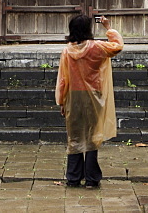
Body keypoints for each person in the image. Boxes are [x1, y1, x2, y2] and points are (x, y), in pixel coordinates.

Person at [55, 14, 124, 188]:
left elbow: (63, 79)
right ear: (88, 29)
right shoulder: (97, 48)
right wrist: (108, 28)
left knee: (74, 136)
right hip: (94, 95)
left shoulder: (67, 52)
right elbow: (117, 47)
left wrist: (62, 101)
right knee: (93, 136)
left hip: (74, 96)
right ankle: (92, 179)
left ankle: (73, 177)